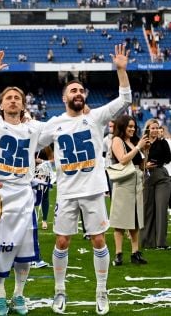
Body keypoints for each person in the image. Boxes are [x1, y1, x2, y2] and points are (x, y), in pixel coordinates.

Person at [38, 44, 132, 315]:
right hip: (67, 191)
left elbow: (124, 98)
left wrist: (121, 70)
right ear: (64, 97)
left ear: (85, 96)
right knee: (62, 242)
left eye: (81, 90)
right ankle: (59, 290)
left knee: (99, 241)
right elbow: (32, 142)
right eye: (73, 90)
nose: (78, 93)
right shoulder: (54, 123)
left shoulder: (96, 118)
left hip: (92, 190)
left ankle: (102, 291)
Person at [0, 50, 48, 315]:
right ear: (1, 105)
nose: (13, 101)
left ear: (23, 105)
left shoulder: (35, 128)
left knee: (24, 249)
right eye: (9, 98)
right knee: (0, 246)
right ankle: (0, 294)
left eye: (18, 98)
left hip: (24, 192)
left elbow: (60, 129)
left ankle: (19, 295)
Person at [109, 115, 148, 266]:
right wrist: (138, 147)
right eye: (129, 126)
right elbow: (123, 159)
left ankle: (135, 253)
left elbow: (142, 165)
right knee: (120, 221)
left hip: (136, 182)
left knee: (135, 220)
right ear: (122, 126)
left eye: (134, 127)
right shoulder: (117, 140)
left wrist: (145, 150)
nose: (132, 129)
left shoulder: (133, 141)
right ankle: (118, 254)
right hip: (124, 183)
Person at [140, 118, 171, 249]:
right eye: (152, 128)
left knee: (161, 209)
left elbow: (168, 159)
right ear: (148, 129)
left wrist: (155, 162)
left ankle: (161, 243)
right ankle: (147, 241)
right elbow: (137, 160)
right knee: (147, 210)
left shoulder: (163, 142)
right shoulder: (142, 142)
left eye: (157, 127)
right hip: (146, 177)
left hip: (161, 176)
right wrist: (145, 164)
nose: (155, 130)